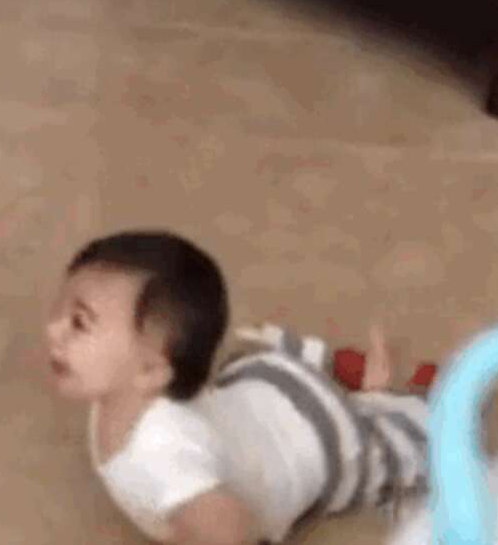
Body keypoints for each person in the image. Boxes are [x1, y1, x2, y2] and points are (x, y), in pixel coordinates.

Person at [43, 230, 437, 544]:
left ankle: (406, 400)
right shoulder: (128, 392)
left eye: (79, 323)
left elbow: (231, 532)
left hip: (316, 437)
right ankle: (346, 372)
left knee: (396, 454)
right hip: (264, 385)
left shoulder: (165, 456)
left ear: (150, 371)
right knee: (253, 361)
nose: (52, 329)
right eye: (61, 310)